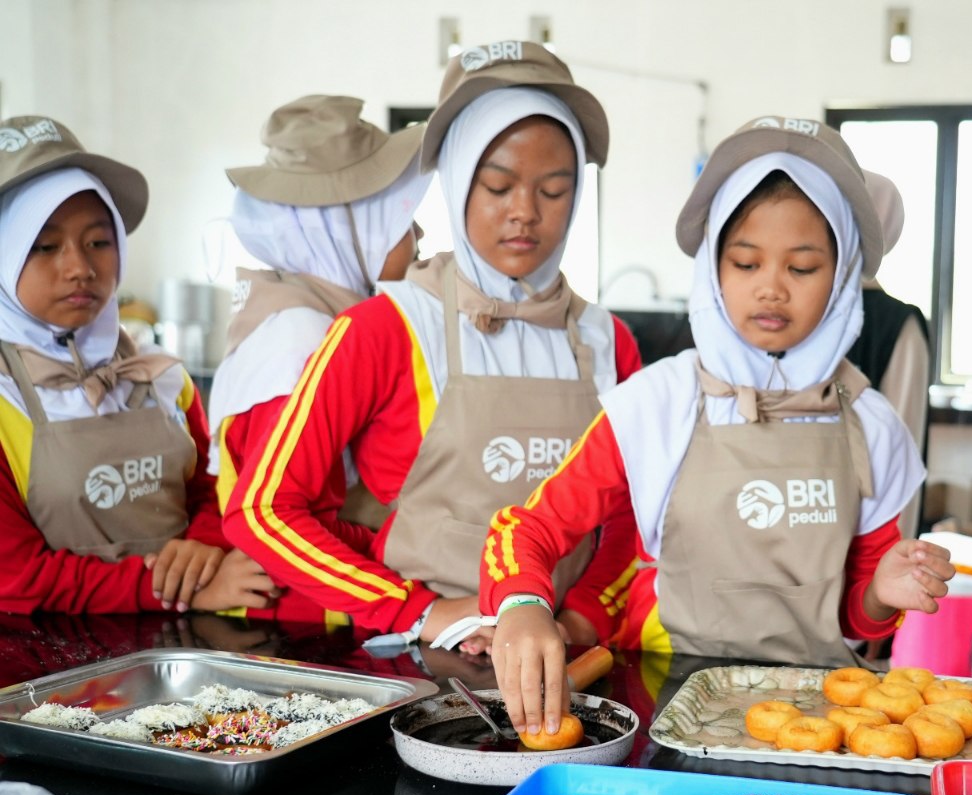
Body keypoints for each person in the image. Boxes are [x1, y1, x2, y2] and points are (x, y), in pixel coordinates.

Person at [481, 116, 956, 736]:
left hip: (815, 717)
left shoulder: (870, 422)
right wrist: (522, 606)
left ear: (842, 279)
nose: (772, 289)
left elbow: (853, 615)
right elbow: (529, 528)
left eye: (804, 267)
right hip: (663, 696)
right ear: (714, 269)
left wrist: (879, 594)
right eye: (746, 263)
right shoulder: (658, 402)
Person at [223, 42, 643, 649]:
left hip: (566, 652)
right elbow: (261, 510)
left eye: (553, 190)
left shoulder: (608, 341)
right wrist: (416, 611)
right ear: (454, 186)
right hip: (419, 660)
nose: (524, 213)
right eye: (497, 186)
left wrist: (581, 618)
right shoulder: (386, 328)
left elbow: (636, 516)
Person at [0, 115, 277, 614]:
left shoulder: (161, 377)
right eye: (44, 246)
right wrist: (174, 591)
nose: (80, 267)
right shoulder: (7, 399)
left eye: (98, 242)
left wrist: (204, 543)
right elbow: (16, 579)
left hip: (182, 652)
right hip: (49, 668)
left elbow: (214, 490)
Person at [208, 95, 430, 545]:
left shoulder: (306, 315)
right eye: (402, 221)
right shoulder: (299, 342)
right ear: (352, 231)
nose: (420, 234)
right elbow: (293, 526)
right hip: (318, 607)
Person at [846, 170, 929, 538]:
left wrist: (890, 559)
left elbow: (901, 447)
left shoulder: (897, 324)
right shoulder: (790, 311)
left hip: (867, 544)